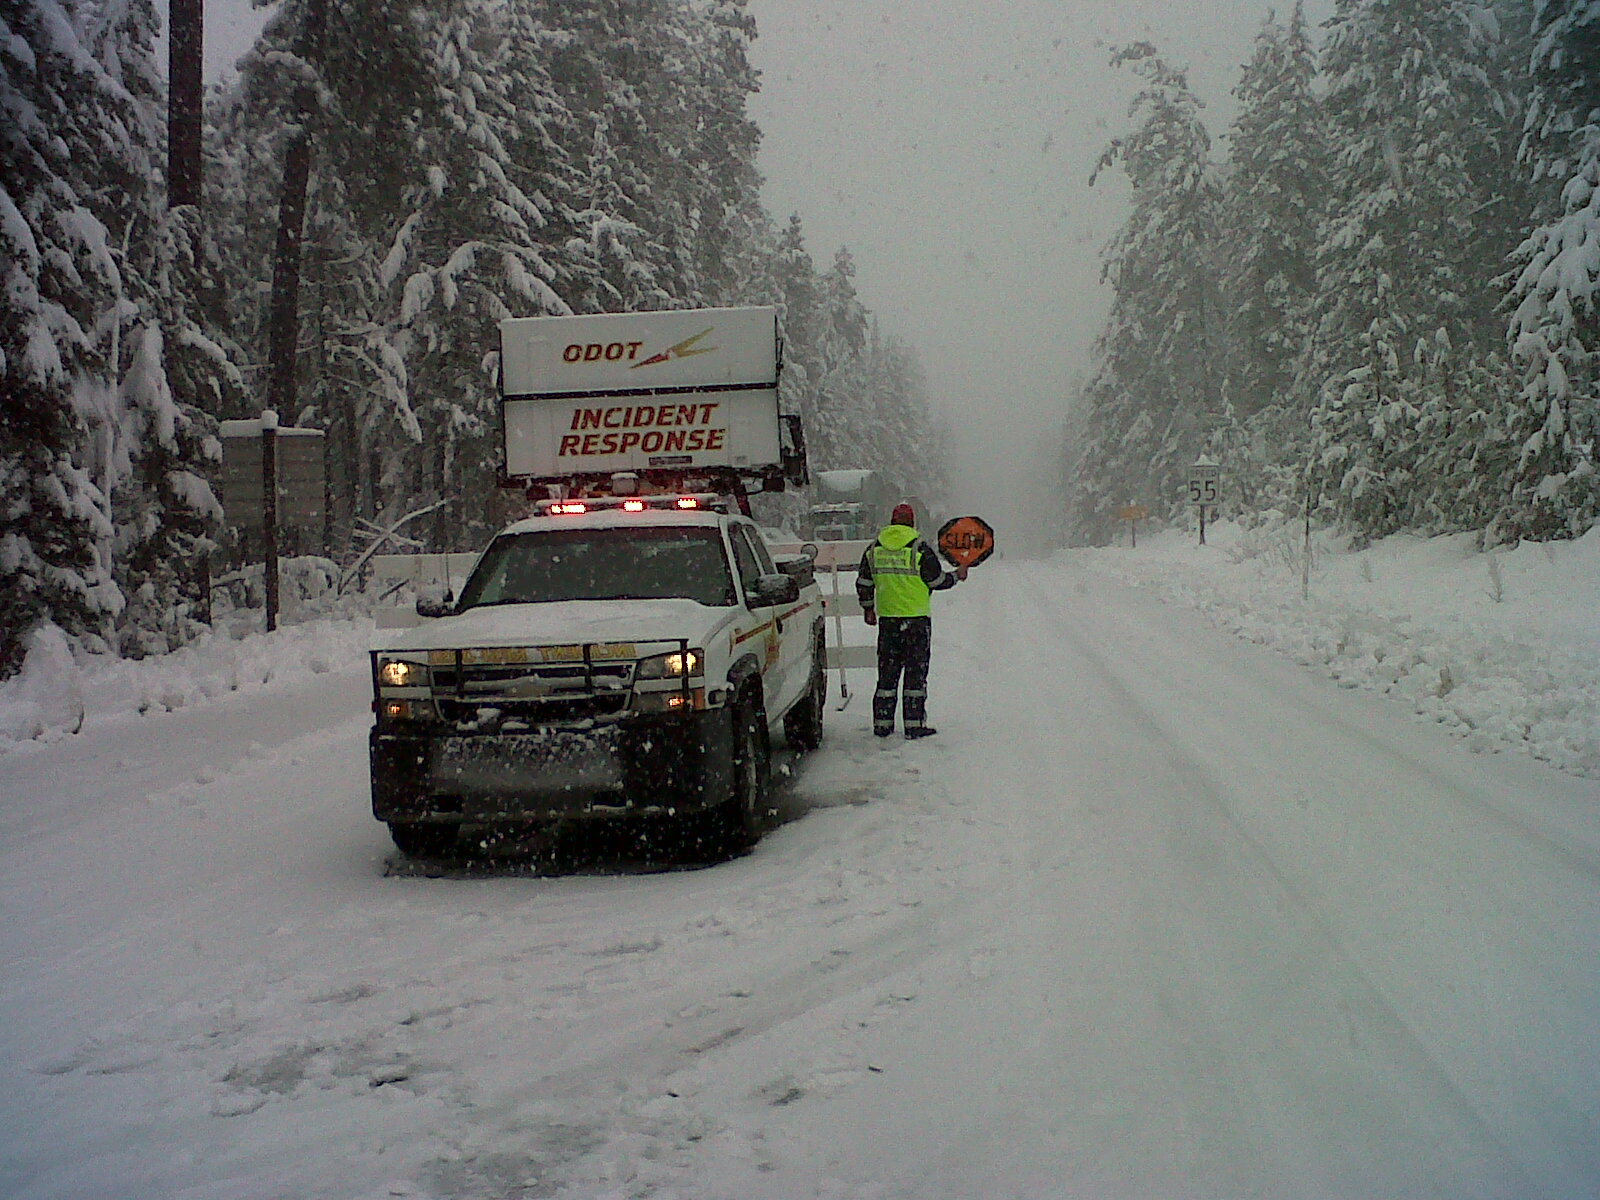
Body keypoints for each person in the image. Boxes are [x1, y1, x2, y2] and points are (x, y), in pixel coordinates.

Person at [856, 502, 966, 739]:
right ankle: (914, 725)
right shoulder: (920, 549)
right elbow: (937, 581)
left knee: (887, 674)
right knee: (915, 674)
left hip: (888, 623)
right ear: (912, 523)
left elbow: (864, 582)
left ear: (892, 522)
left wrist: (868, 608)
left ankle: (882, 725)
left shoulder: (874, 549)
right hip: (916, 622)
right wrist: (957, 576)